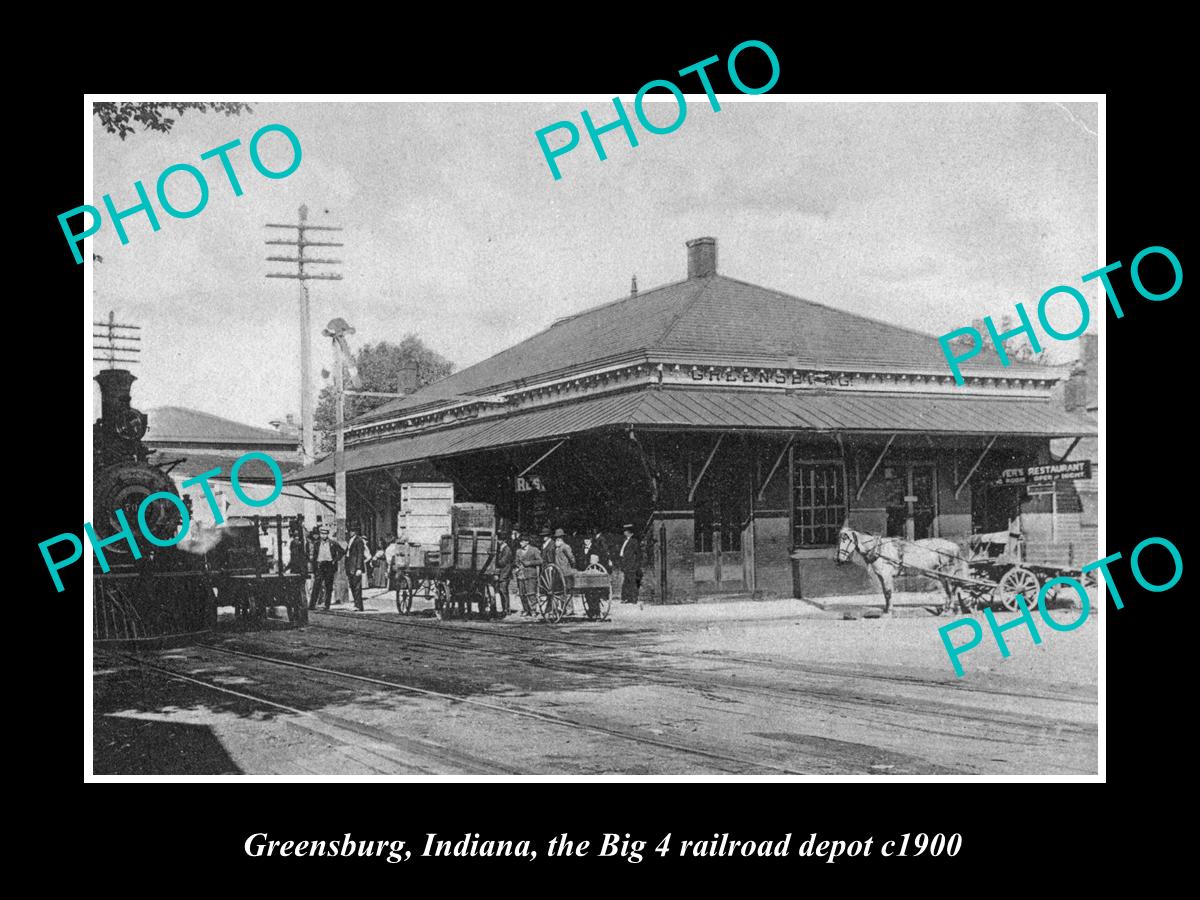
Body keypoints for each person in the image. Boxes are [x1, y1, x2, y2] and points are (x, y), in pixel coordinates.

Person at [309, 526, 345, 610]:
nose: (323, 535)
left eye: (325, 534)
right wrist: (314, 568)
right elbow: (314, 556)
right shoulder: (317, 543)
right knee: (316, 585)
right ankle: (312, 605)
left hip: (329, 566)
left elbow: (342, 551)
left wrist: (335, 560)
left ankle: (327, 605)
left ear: (327, 534)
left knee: (328, 586)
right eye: (322, 534)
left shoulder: (333, 543)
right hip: (320, 565)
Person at [344, 525, 370, 611]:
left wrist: (359, 568)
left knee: (357, 586)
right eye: (350, 530)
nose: (350, 532)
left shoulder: (359, 540)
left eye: (351, 531)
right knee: (352, 585)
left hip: (355, 567)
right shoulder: (350, 540)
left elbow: (360, 555)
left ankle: (358, 605)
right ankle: (356, 604)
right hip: (350, 566)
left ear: (355, 532)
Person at [516, 534, 542, 616]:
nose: (520, 543)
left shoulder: (534, 550)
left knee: (531, 593)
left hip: (531, 575)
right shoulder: (518, 551)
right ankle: (526, 609)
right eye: (520, 542)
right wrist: (517, 567)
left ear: (527, 542)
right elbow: (516, 562)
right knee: (522, 594)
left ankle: (533, 610)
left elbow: (540, 561)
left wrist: (529, 563)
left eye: (522, 542)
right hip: (521, 575)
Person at [618, 523, 641, 604]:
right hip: (626, 565)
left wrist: (635, 565)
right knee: (626, 582)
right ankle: (626, 598)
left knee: (632, 583)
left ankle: (634, 599)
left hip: (631, 566)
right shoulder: (625, 540)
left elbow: (637, 554)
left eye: (625, 531)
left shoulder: (634, 541)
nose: (624, 532)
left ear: (629, 532)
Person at [494, 532, 514, 616]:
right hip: (502, 573)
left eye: (500, 540)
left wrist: (494, 562)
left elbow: (503, 562)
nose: (498, 541)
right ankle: (504, 609)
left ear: (504, 541)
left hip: (505, 574)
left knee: (503, 591)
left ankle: (506, 609)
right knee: (501, 592)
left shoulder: (507, 549)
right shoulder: (501, 548)